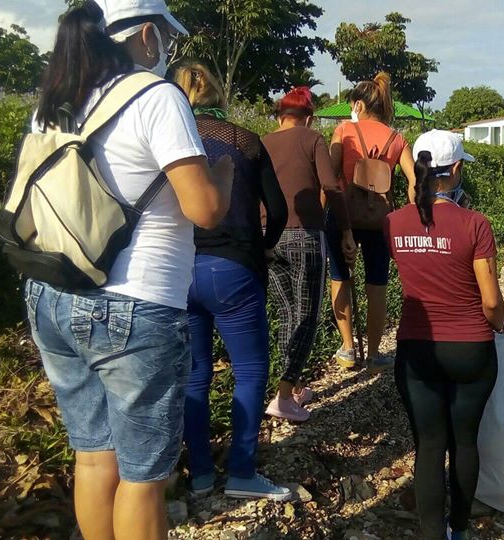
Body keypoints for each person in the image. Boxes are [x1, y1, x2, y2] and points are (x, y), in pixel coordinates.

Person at [24, 2, 232, 539]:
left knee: (94, 458)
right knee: (143, 477)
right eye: (166, 37)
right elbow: (204, 209)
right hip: (135, 304)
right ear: (147, 35)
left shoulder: (58, 99)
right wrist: (223, 175)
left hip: (51, 292)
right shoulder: (157, 96)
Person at [172, 62, 291, 500]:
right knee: (251, 370)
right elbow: (276, 211)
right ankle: (241, 471)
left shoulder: (169, 141)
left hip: (179, 271)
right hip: (234, 268)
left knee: (195, 373)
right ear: (216, 93)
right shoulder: (245, 141)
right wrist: (264, 246)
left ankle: (200, 474)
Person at [386, 130, 504, 540]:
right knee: (465, 441)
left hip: (417, 349)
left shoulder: (395, 223)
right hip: (471, 346)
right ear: (455, 169)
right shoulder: (475, 223)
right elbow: (490, 300)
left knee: (429, 445)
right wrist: (502, 324)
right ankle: (459, 529)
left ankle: (432, 534)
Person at [261, 87, 355, 421]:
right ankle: (284, 397)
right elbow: (332, 187)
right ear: (310, 116)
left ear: (279, 115)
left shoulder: (263, 142)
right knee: (308, 315)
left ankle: (295, 386)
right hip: (305, 234)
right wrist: (345, 230)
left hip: (266, 236)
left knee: (288, 313)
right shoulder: (313, 139)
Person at [328, 72, 417, 373]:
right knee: (377, 284)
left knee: (340, 277)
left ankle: (348, 348)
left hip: (344, 218)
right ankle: (375, 353)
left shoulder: (343, 130)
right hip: (381, 220)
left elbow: (329, 176)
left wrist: (324, 216)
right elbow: (414, 181)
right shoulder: (397, 138)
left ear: (358, 105)